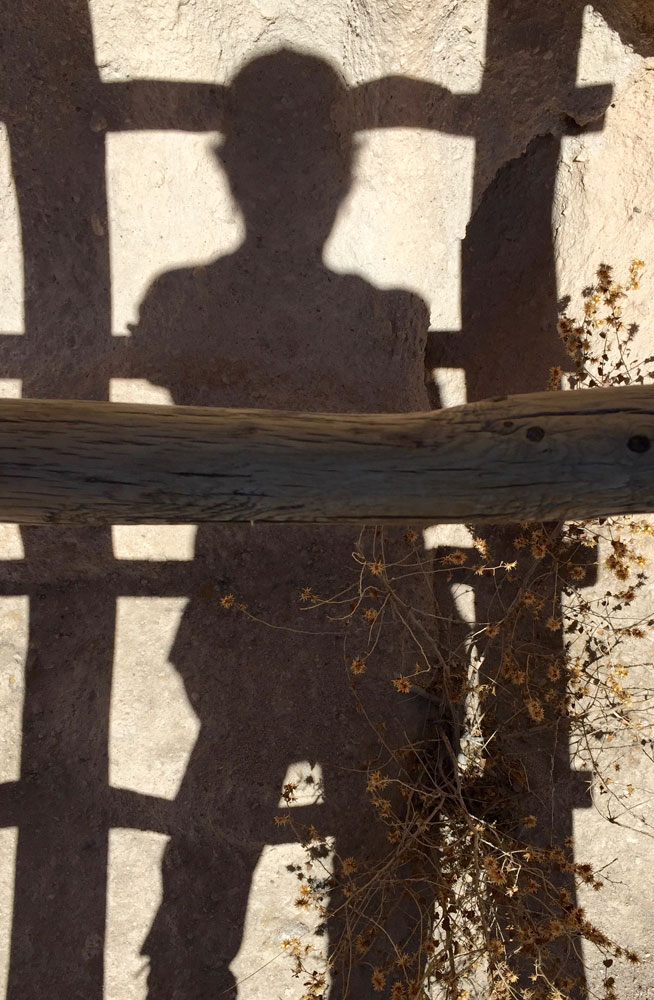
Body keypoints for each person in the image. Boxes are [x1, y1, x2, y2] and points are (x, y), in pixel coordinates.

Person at [129, 49, 431, 998]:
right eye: (289, 161)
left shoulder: (196, 302)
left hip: (312, 634)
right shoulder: (370, 315)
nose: (306, 187)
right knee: (240, 878)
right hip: (289, 632)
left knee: (315, 882)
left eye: (315, 164)